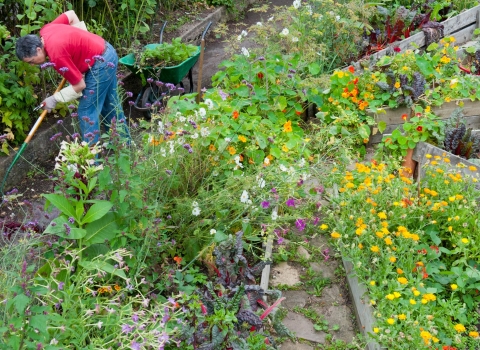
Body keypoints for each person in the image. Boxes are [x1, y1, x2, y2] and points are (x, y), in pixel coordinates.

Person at [15, 10, 130, 145]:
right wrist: (83, 45)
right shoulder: (46, 31)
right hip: (107, 51)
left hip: (101, 64)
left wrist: (54, 99)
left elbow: (80, 86)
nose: (33, 65)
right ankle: (123, 146)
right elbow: (71, 15)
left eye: (31, 61)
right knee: (110, 104)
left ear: (39, 49)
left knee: (86, 111)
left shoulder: (56, 55)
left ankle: (91, 162)